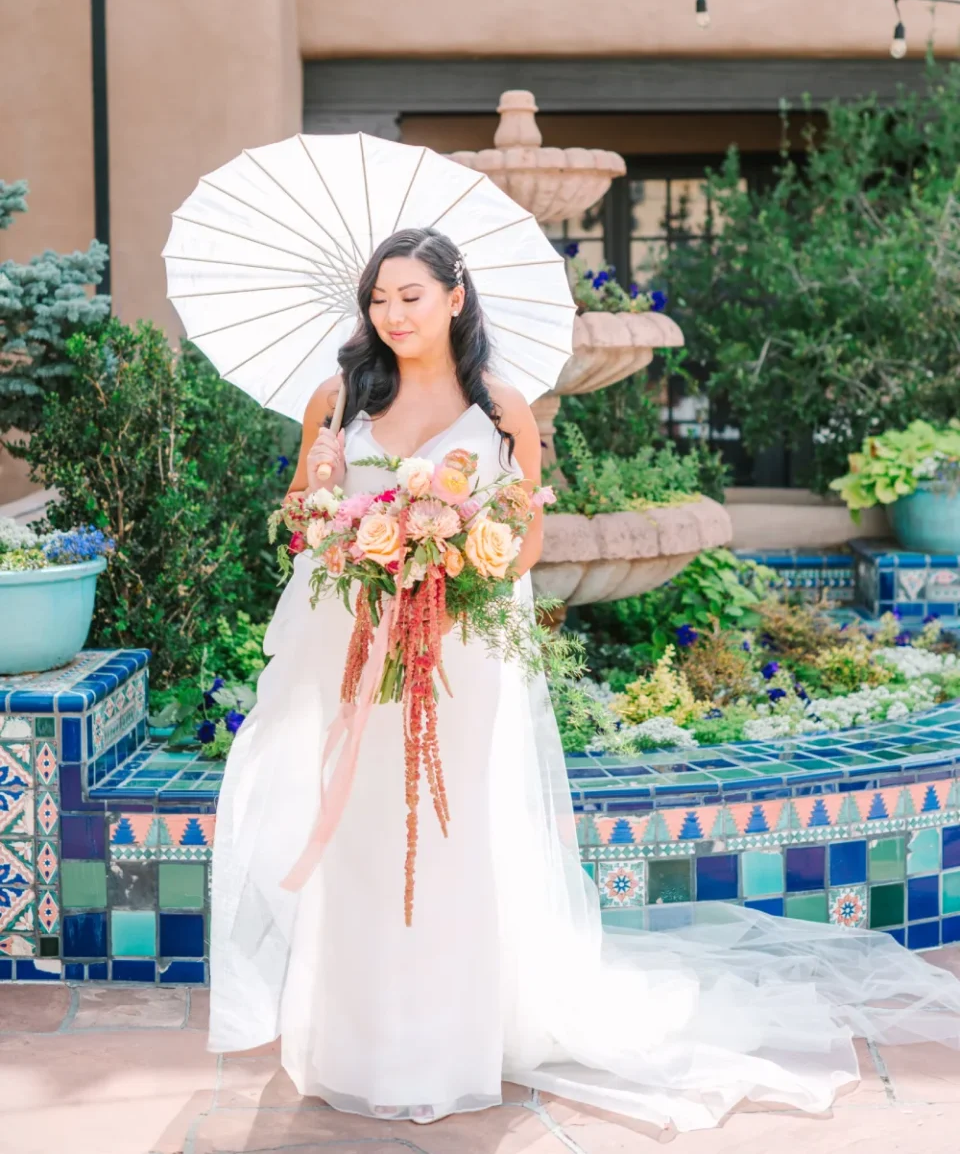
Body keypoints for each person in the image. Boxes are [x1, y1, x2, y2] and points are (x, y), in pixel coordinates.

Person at [209, 225, 960, 1133]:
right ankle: (352, 1042)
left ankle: (445, 1044)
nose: (393, 313)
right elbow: (301, 524)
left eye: (411, 295)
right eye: (379, 298)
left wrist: (454, 572)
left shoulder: (502, 411)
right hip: (360, 650)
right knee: (364, 838)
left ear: (455, 297)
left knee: (451, 838)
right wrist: (319, 488)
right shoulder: (336, 402)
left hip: (462, 654)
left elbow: (526, 542)